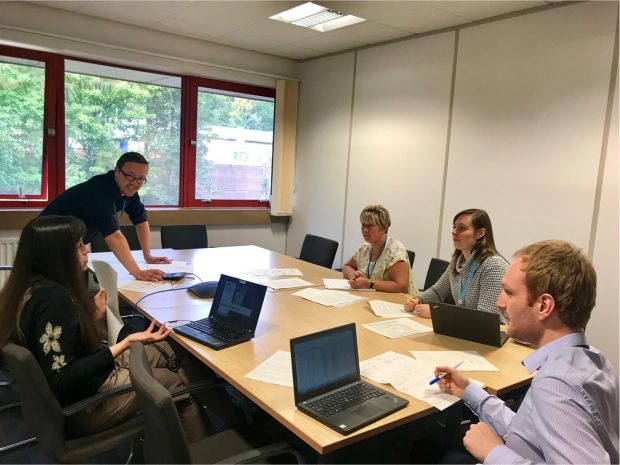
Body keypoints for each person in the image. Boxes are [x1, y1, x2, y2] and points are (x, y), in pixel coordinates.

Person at [0, 216, 224, 441]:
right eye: (79, 246)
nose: (86, 250)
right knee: (180, 385)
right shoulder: (54, 301)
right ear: (57, 255)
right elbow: (63, 379)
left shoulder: (27, 289)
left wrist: (93, 318)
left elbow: (67, 347)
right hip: (84, 407)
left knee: (175, 349)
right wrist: (126, 343)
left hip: (80, 388)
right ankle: (214, 443)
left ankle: (234, 417)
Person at [435, 240, 619, 464]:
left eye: (509, 293)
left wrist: (494, 453)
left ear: (544, 306)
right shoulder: (593, 361)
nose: (500, 302)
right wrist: (468, 391)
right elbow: (527, 431)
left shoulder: (556, 384)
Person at [41, 152, 168, 282]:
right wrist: (137, 273)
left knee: (77, 291)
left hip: (73, 246)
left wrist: (148, 255)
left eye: (141, 178)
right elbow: (113, 236)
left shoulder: (128, 191)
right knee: (56, 291)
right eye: (130, 176)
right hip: (47, 242)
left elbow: (141, 220)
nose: (135, 183)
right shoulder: (98, 191)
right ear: (117, 171)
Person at [405, 208, 507, 320]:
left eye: (462, 228)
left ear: (480, 233)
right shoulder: (458, 260)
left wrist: (439, 313)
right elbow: (437, 291)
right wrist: (417, 300)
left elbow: (486, 317)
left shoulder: (493, 266)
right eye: (454, 227)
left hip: (492, 333)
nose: (454, 231)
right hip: (466, 330)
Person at [342, 205, 418, 296]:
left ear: (384, 228)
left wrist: (369, 283)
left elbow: (400, 285)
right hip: (371, 297)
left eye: (370, 226)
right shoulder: (365, 248)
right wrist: (353, 275)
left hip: (400, 303)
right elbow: (347, 266)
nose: (365, 230)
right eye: (363, 225)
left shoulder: (395, 250)